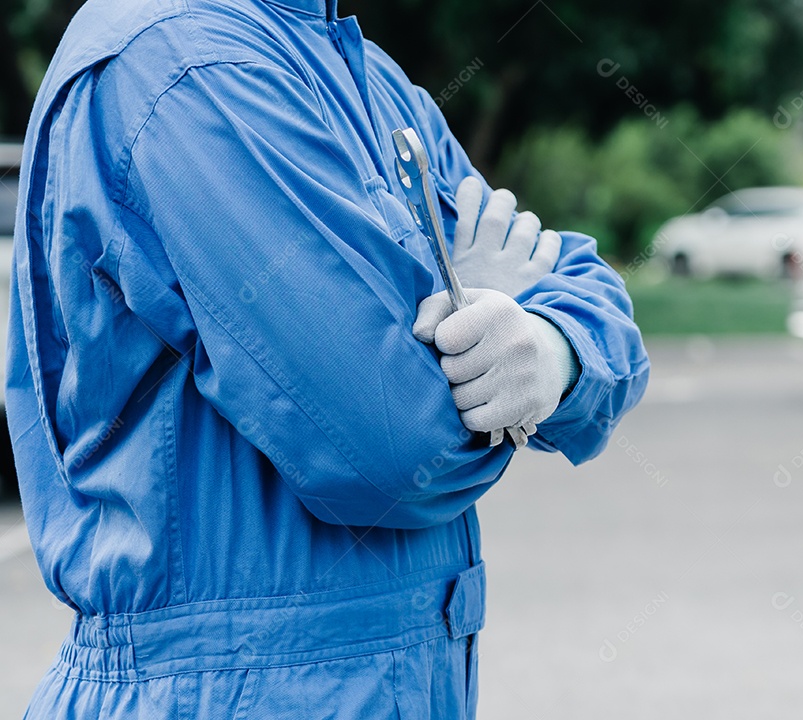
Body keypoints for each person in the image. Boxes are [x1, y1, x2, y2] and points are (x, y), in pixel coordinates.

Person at [8, 0, 649, 716]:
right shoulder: (190, 64)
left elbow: (581, 282)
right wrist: (489, 316)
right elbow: (393, 444)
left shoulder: (365, 75)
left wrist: (554, 351)